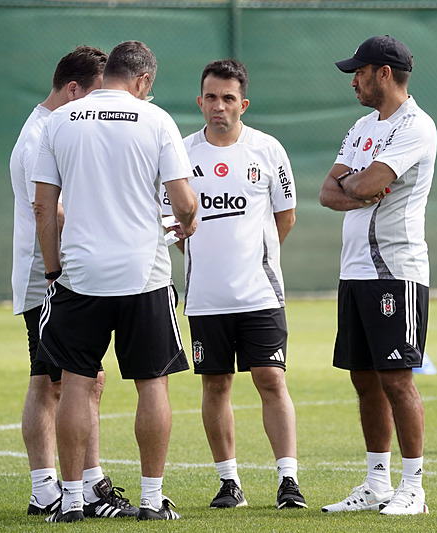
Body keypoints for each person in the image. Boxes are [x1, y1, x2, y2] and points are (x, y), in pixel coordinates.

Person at [31, 40, 198, 522]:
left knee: (77, 385)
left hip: (79, 277)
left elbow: (43, 206)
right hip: (143, 276)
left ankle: (73, 501)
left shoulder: (61, 121)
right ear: (143, 80)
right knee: (152, 385)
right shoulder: (157, 119)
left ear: (107, 76)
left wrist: (53, 270)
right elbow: (183, 201)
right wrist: (186, 224)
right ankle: (150, 501)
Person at [164, 58, 305, 510]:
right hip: (205, 297)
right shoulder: (181, 153)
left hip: (260, 294)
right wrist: (204, 256)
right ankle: (230, 483)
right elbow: (172, 221)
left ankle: (288, 481)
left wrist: (254, 257)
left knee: (270, 379)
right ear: (199, 101)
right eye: (211, 97)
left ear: (243, 103)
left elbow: (286, 216)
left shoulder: (268, 150)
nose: (218, 106)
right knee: (216, 385)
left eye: (228, 98)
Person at [9, 45, 138, 519]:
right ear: (73, 89)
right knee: (71, 382)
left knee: (62, 381)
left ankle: (58, 487)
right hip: (50, 277)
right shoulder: (40, 136)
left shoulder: (50, 127)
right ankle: (71, 487)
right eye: (95, 94)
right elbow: (50, 209)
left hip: (59, 274)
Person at [318, 35, 436, 516]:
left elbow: (363, 182)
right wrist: (359, 186)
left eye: (360, 72)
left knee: (397, 379)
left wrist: (359, 183)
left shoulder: (417, 126)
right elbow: (329, 192)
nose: (355, 80)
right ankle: (376, 482)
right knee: (363, 379)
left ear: (384, 73)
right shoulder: (363, 125)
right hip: (355, 271)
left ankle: (414, 486)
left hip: (395, 270)